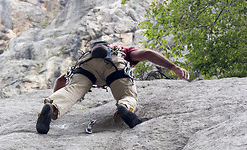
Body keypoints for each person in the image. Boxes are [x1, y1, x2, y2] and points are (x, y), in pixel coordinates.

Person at [36, 41, 189, 134]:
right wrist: (173, 67)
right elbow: (147, 53)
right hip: (115, 66)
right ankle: (125, 107)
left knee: (72, 90)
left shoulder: (86, 56)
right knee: (127, 95)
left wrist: (55, 97)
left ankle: (53, 105)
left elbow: (61, 79)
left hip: (85, 67)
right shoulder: (121, 50)